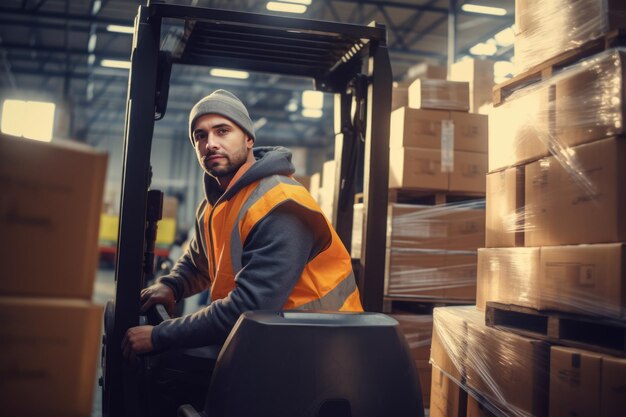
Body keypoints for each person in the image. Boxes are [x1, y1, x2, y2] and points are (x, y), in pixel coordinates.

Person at [122, 89, 363, 360]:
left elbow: (249, 307)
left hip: (317, 350)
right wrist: (172, 285)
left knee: (166, 362)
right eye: (200, 136)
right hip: (271, 340)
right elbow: (199, 260)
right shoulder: (217, 204)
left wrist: (161, 335)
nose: (210, 143)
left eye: (222, 131)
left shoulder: (280, 204)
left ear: (248, 139)